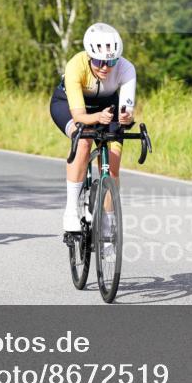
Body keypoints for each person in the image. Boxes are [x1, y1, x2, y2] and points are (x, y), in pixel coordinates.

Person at [49, 23, 136, 237]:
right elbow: (79, 116)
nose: (105, 68)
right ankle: (70, 210)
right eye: (99, 62)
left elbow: (126, 109)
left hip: (107, 107)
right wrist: (97, 117)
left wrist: (126, 117)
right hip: (69, 105)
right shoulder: (75, 66)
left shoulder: (126, 69)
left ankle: (108, 223)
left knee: (112, 166)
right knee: (83, 141)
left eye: (111, 61)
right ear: (89, 57)